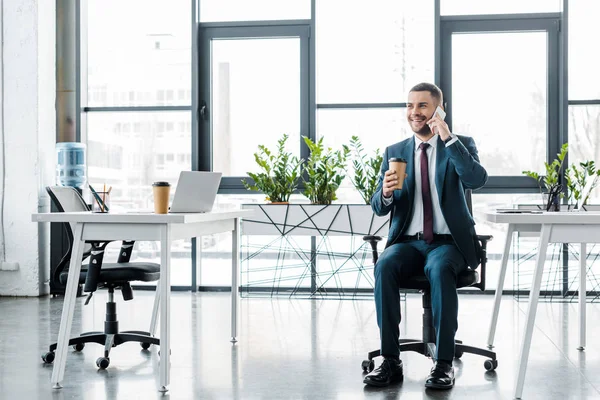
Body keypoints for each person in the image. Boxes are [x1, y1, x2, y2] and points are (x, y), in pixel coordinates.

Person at [363, 82, 487, 390]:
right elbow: (379, 207)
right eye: (409, 106)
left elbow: (476, 178)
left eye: (422, 106)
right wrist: (386, 193)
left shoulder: (459, 144)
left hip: (448, 243)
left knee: (440, 268)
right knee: (385, 265)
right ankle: (391, 361)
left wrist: (446, 136)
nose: (414, 112)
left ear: (438, 110)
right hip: (407, 242)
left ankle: (443, 363)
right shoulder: (395, 152)